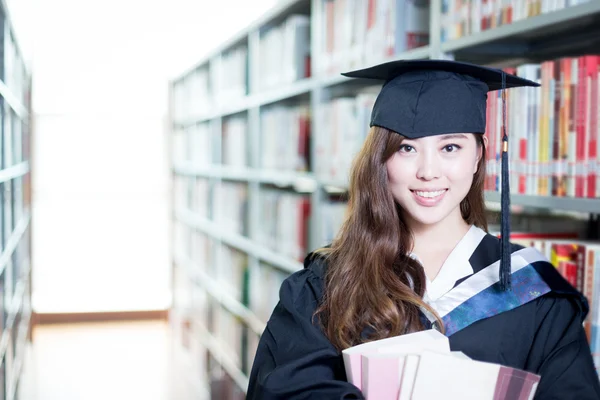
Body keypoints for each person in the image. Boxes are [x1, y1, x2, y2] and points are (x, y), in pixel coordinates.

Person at [245, 59, 600, 399]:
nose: (428, 171)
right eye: (406, 148)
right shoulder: (324, 284)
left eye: (450, 147)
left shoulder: (536, 293)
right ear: (381, 161)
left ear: (478, 155)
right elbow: (284, 388)